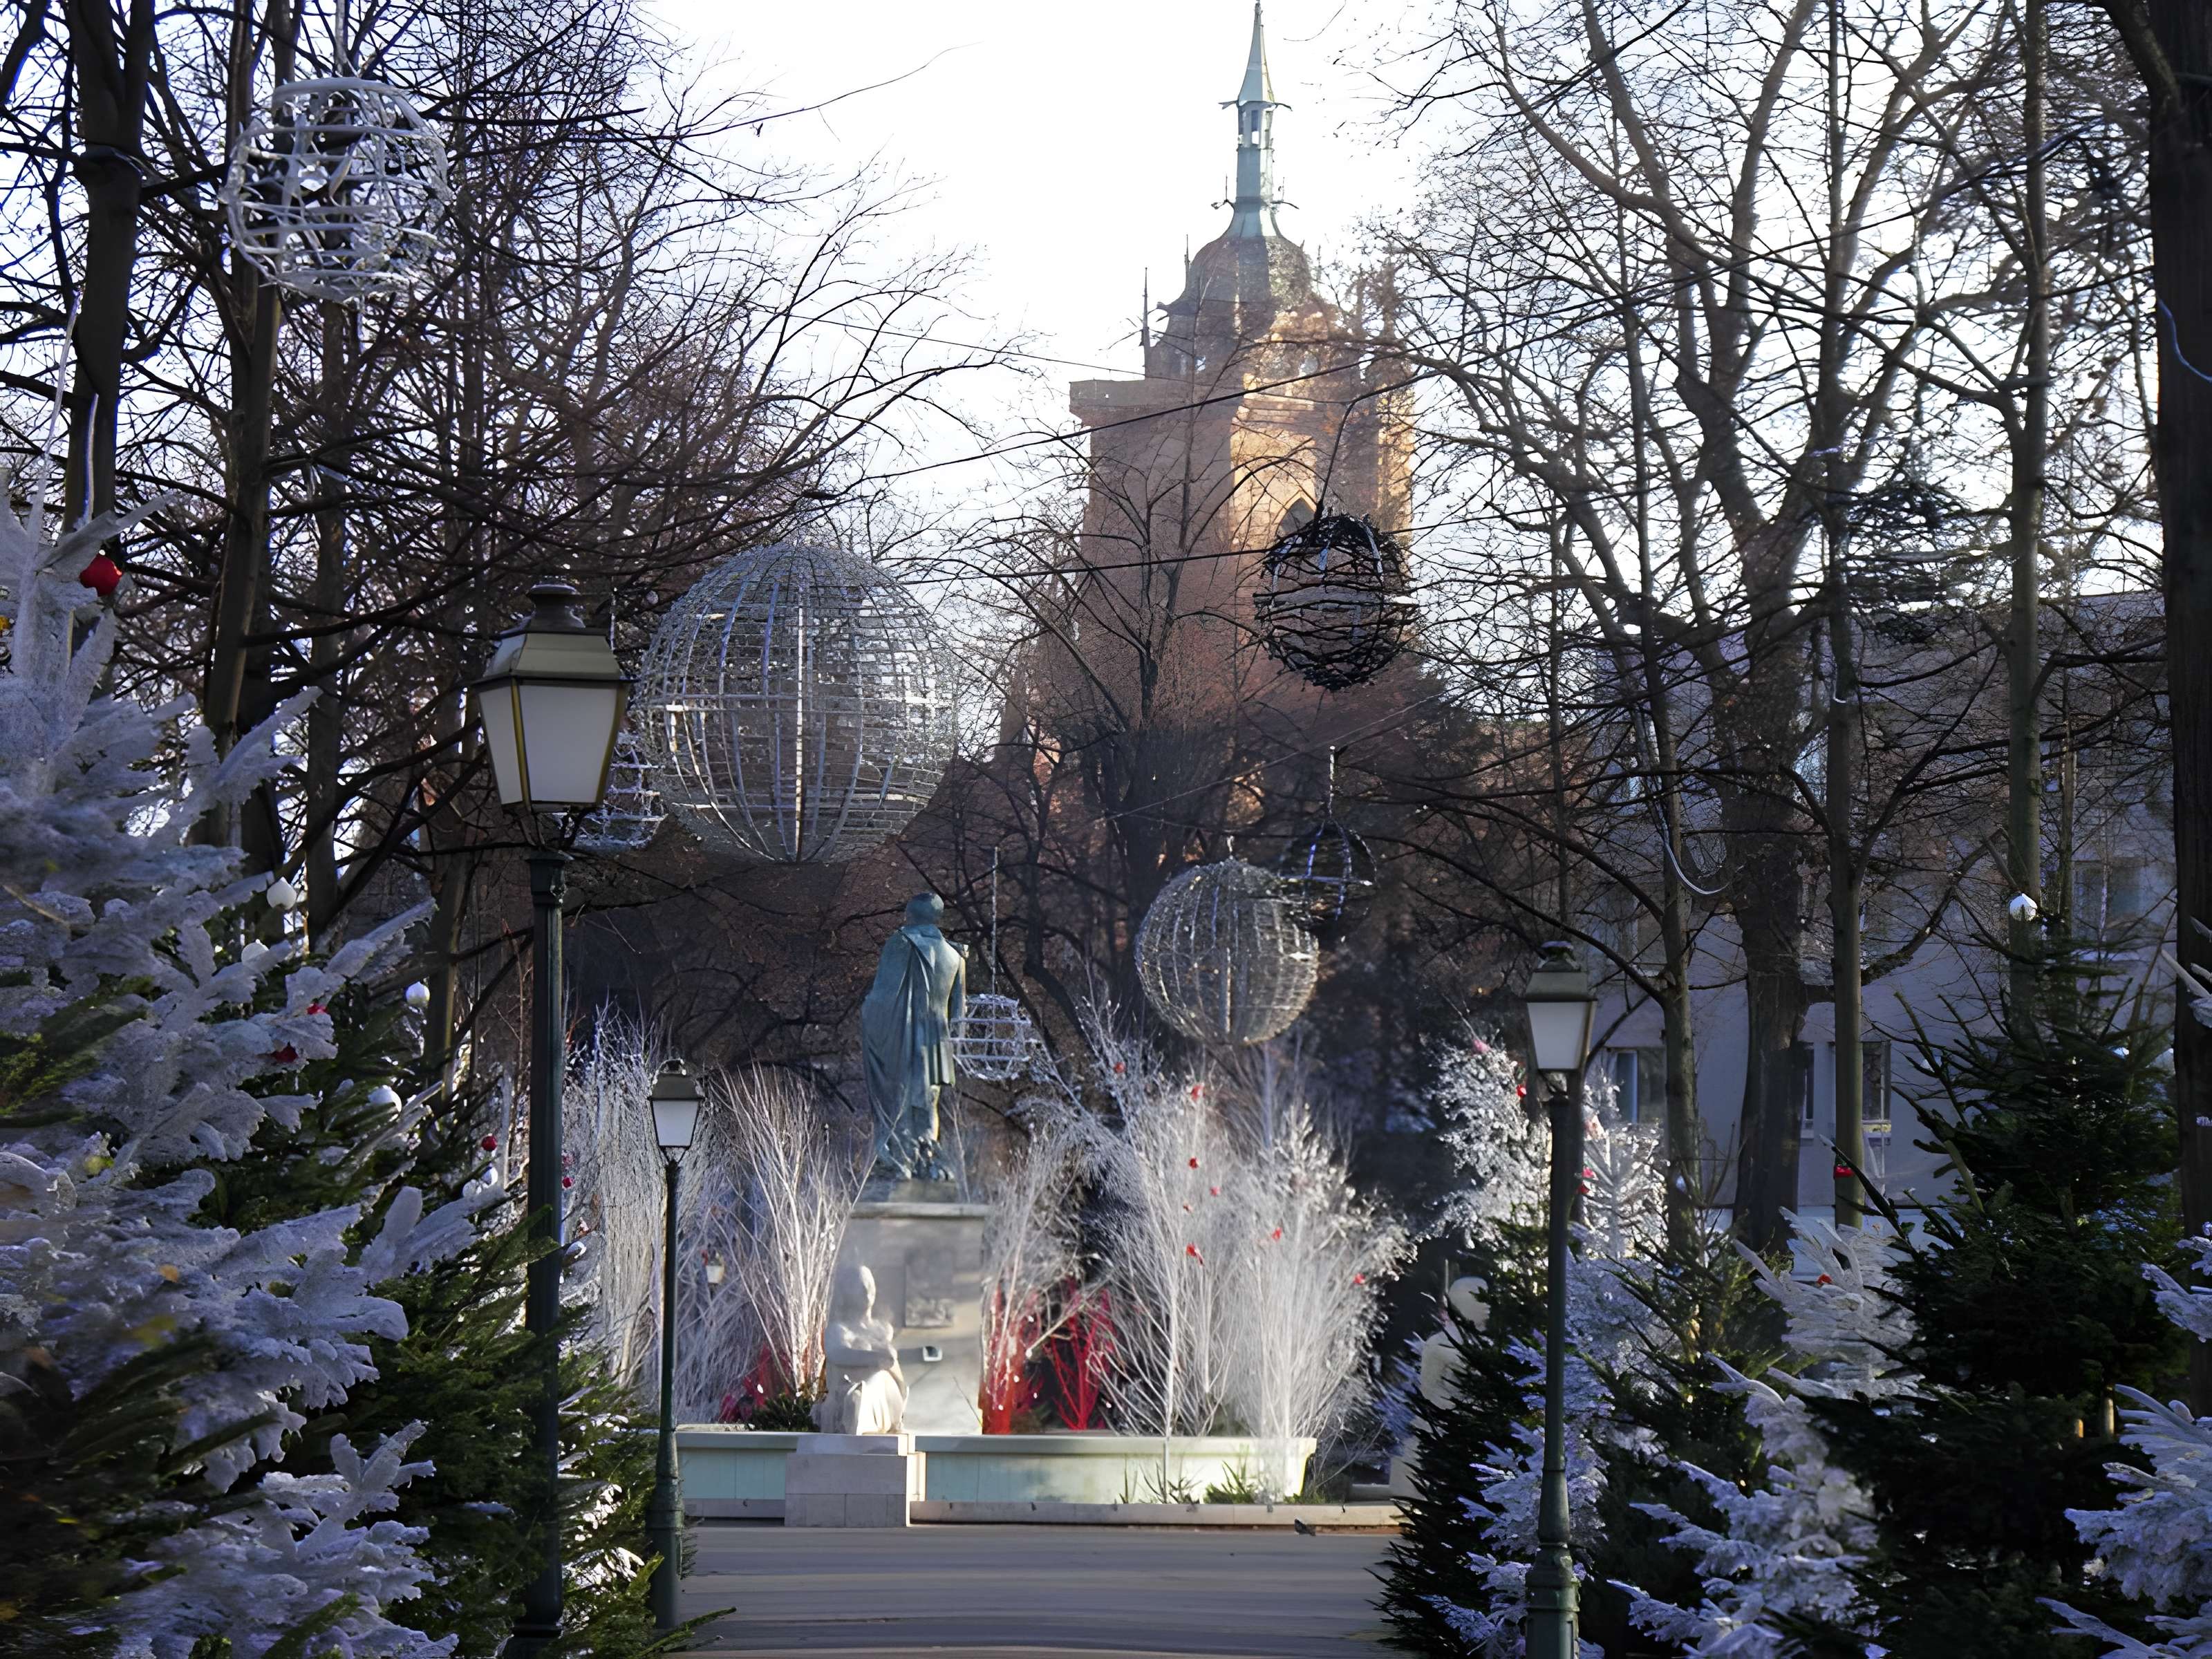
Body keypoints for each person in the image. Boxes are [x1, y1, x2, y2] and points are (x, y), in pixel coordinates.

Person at [859, 892, 966, 1182]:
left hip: (906, 1032)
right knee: (928, 1102)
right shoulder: (956, 955)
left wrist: (866, 1013)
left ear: (910, 915)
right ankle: (926, 1160)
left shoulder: (901, 943)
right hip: (938, 1039)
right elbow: (960, 1015)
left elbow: (883, 996)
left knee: (899, 1099)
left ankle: (899, 1162)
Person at [814, 1262, 906, 1434]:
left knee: (876, 1382)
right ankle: (857, 1407)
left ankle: (864, 1408)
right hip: (850, 1390)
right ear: (845, 1293)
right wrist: (877, 1359)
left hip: (884, 1393)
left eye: (870, 1283)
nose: (867, 1290)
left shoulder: (883, 1329)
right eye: (859, 1285)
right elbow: (838, 1354)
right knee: (857, 1396)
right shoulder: (838, 1330)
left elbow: (892, 1363)